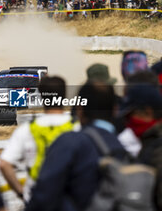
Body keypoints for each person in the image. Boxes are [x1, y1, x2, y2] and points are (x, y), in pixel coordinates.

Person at [25, 81, 126, 211]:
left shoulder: (69, 142)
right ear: (115, 109)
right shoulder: (129, 142)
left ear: (80, 109)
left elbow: (44, 194)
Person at [0, 76, 78, 202]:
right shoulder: (77, 128)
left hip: (36, 198)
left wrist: (21, 192)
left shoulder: (27, 129)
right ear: (64, 96)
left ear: (42, 96)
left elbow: (4, 164)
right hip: (69, 198)